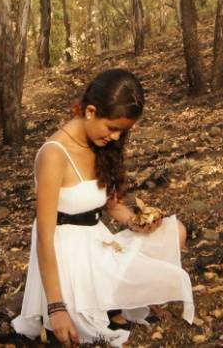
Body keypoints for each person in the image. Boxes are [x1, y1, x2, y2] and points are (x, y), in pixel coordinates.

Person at [11, 69, 194, 347]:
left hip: (98, 245)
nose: (117, 138)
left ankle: (117, 303)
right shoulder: (54, 154)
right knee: (87, 330)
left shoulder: (102, 145)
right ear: (91, 111)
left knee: (174, 231)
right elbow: (44, 239)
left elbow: (113, 208)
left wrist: (139, 223)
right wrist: (56, 307)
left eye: (123, 131)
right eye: (112, 128)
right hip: (66, 258)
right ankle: (106, 306)